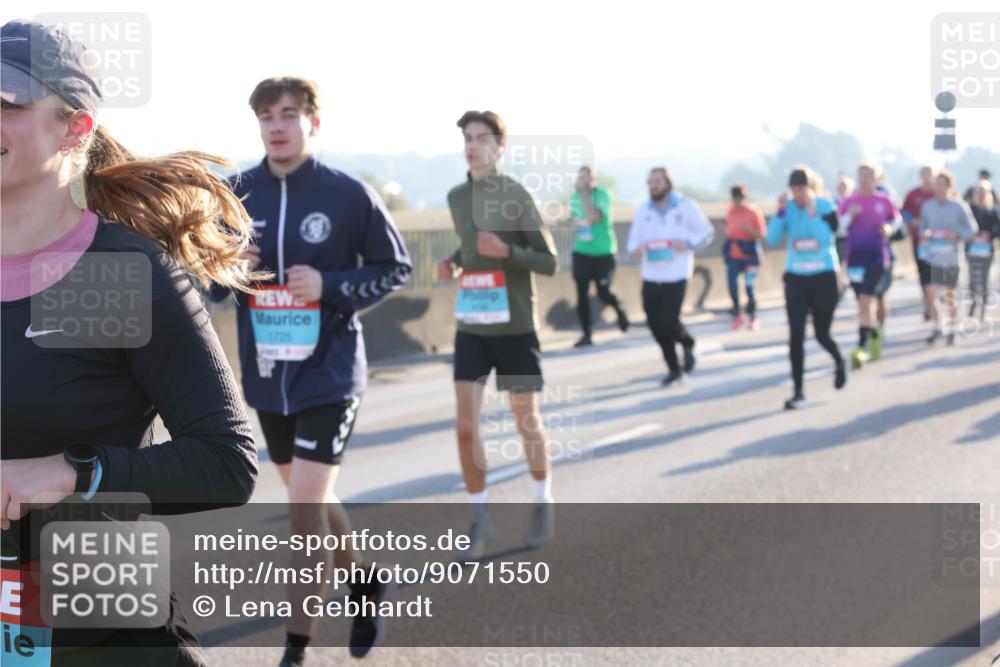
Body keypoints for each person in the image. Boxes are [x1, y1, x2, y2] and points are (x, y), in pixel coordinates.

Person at [1, 19, 258, 666]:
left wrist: (71, 472)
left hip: (104, 623)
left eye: (8, 103)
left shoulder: (117, 272)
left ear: (75, 126)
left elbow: (226, 460)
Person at [208, 77, 412, 666]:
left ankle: (296, 650)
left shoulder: (348, 194)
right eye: (267, 116)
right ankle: (364, 581)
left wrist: (332, 286)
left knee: (303, 511)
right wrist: (229, 268)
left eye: (289, 114)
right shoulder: (235, 194)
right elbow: (212, 287)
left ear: (312, 123)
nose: (277, 125)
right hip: (269, 376)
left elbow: (393, 267)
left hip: (330, 374)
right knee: (312, 498)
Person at [436, 111, 558, 559]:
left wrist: (507, 252)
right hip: (472, 324)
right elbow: (470, 249)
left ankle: (542, 500)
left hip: (515, 327)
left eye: (481, 138)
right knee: (466, 425)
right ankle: (479, 518)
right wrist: (453, 262)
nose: (472, 146)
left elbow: (548, 261)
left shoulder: (515, 194)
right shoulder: (455, 196)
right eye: (467, 138)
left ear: (500, 146)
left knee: (526, 419)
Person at [626, 167, 714, 386]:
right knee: (654, 324)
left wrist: (689, 243)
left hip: (676, 274)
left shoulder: (685, 206)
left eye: (657, 181)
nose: (653, 185)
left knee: (668, 322)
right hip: (651, 274)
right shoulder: (643, 210)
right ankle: (676, 364)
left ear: (667, 183)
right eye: (650, 182)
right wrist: (636, 250)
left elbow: (706, 232)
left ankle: (684, 348)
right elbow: (632, 242)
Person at [767, 167, 846, 409]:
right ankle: (798, 391)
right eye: (794, 190)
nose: (797, 195)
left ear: (811, 188)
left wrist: (812, 212)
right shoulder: (788, 209)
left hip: (823, 276)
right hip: (796, 277)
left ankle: (839, 361)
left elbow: (825, 238)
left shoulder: (825, 206)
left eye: (802, 189)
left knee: (821, 334)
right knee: (796, 337)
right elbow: (772, 238)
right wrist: (780, 212)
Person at [837, 162, 901, 368]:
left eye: (869, 175)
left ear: (877, 179)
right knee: (862, 304)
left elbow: (896, 221)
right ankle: (875, 333)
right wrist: (850, 216)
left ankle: (861, 347)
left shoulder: (884, 201)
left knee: (866, 301)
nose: (864, 179)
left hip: (876, 258)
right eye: (861, 175)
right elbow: (838, 229)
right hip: (855, 258)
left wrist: (889, 228)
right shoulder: (849, 202)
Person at [568, 165, 629, 347]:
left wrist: (584, 194)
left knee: (603, 293)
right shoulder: (575, 197)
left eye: (585, 177)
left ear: (593, 179)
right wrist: (563, 221)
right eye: (580, 177)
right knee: (581, 294)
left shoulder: (603, 195)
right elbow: (577, 218)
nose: (581, 181)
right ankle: (587, 333)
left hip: (603, 253)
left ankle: (619, 308)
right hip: (582, 252)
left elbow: (594, 216)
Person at [919, 170, 979, 345]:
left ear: (949, 186)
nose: (938, 187)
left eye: (942, 184)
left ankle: (952, 328)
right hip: (933, 257)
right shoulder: (927, 206)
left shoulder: (959, 206)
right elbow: (922, 229)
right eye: (936, 184)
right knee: (930, 294)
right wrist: (927, 233)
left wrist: (956, 234)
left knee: (950, 295)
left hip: (952, 258)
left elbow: (972, 230)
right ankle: (938, 326)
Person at [723, 184, 767, 330]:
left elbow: (762, 235)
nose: (738, 201)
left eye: (740, 198)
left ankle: (754, 317)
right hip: (734, 256)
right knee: (732, 286)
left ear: (745, 198)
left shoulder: (753, 212)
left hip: (750, 256)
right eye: (735, 199)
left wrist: (749, 230)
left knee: (750, 287)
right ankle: (738, 315)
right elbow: (728, 230)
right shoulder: (731, 211)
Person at [901, 167, 936, 320]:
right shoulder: (913, 194)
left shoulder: (939, 192)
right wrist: (912, 221)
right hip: (919, 240)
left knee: (938, 274)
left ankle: (935, 303)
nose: (927, 178)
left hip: (939, 242)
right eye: (924, 175)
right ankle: (928, 301)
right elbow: (903, 212)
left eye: (929, 175)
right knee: (923, 273)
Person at [965, 182, 998, 321]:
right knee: (973, 278)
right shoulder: (970, 210)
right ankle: (973, 301)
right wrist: (972, 236)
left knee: (984, 279)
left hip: (987, 250)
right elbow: (963, 227)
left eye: (984, 192)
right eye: (979, 192)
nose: (981, 195)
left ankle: (983, 309)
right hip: (972, 250)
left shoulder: (993, 211)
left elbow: (998, 229)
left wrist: (989, 234)